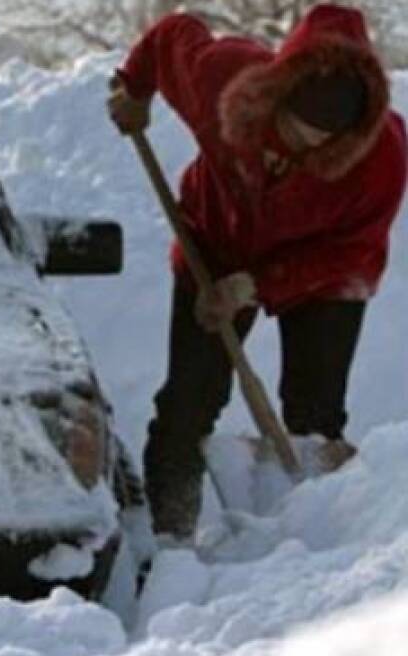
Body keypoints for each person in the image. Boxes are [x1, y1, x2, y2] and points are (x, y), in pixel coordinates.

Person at [107, 4, 407, 542]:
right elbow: (173, 34)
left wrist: (257, 287)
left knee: (314, 415)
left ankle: (310, 540)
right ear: (276, 95)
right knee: (188, 401)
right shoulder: (222, 80)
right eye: (296, 130)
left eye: (324, 140)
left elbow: (351, 251)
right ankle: (170, 536)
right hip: (216, 241)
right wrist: (134, 90)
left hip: (325, 268)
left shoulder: (380, 155)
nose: (305, 147)